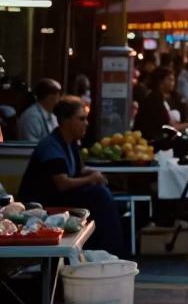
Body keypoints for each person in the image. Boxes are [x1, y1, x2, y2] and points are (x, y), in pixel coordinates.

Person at [17, 97, 123, 254]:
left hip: (62, 197)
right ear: (66, 121)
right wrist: (90, 179)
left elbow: (79, 169)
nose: (86, 123)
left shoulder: (70, 142)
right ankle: (108, 251)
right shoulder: (51, 146)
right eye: (81, 119)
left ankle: (105, 250)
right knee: (99, 195)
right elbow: (63, 182)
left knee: (103, 193)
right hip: (43, 205)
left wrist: (95, 174)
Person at [134, 67, 179, 142]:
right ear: (160, 82)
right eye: (170, 79)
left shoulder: (160, 97)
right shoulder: (154, 99)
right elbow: (163, 126)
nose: (173, 83)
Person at [17, 79, 63, 143]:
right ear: (50, 97)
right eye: (58, 95)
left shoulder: (53, 117)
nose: (59, 98)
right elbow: (33, 146)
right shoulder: (31, 117)